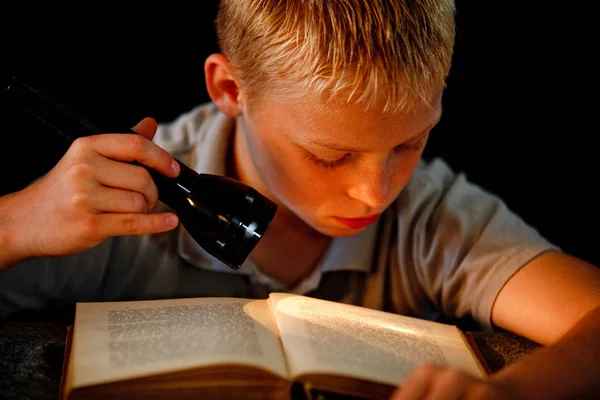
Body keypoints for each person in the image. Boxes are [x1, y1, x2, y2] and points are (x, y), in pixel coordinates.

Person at [1, 0, 599, 399]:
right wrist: (18, 224)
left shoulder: (427, 214)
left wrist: (512, 393)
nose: (374, 191)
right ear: (231, 89)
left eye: (411, 143)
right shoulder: (117, 205)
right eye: (329, 156)